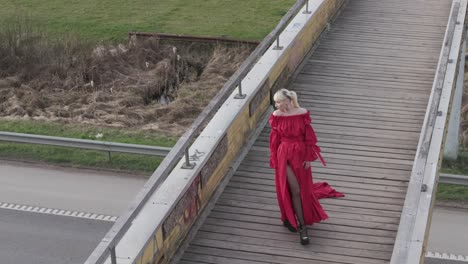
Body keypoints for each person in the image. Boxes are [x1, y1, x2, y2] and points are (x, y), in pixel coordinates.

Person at [269, 88, 344, 245]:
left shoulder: (302, 113)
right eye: (275, 102)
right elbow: (274, 140)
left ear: (288, 101)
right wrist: (274, 158)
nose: (275, 105)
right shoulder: (277, 116)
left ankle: (295, 218)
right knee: (292, 189)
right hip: (283, 154)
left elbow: (309, 138)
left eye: (278, 101)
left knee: (301, 189)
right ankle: (302, 227)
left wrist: (309, 158)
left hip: (300, 154)